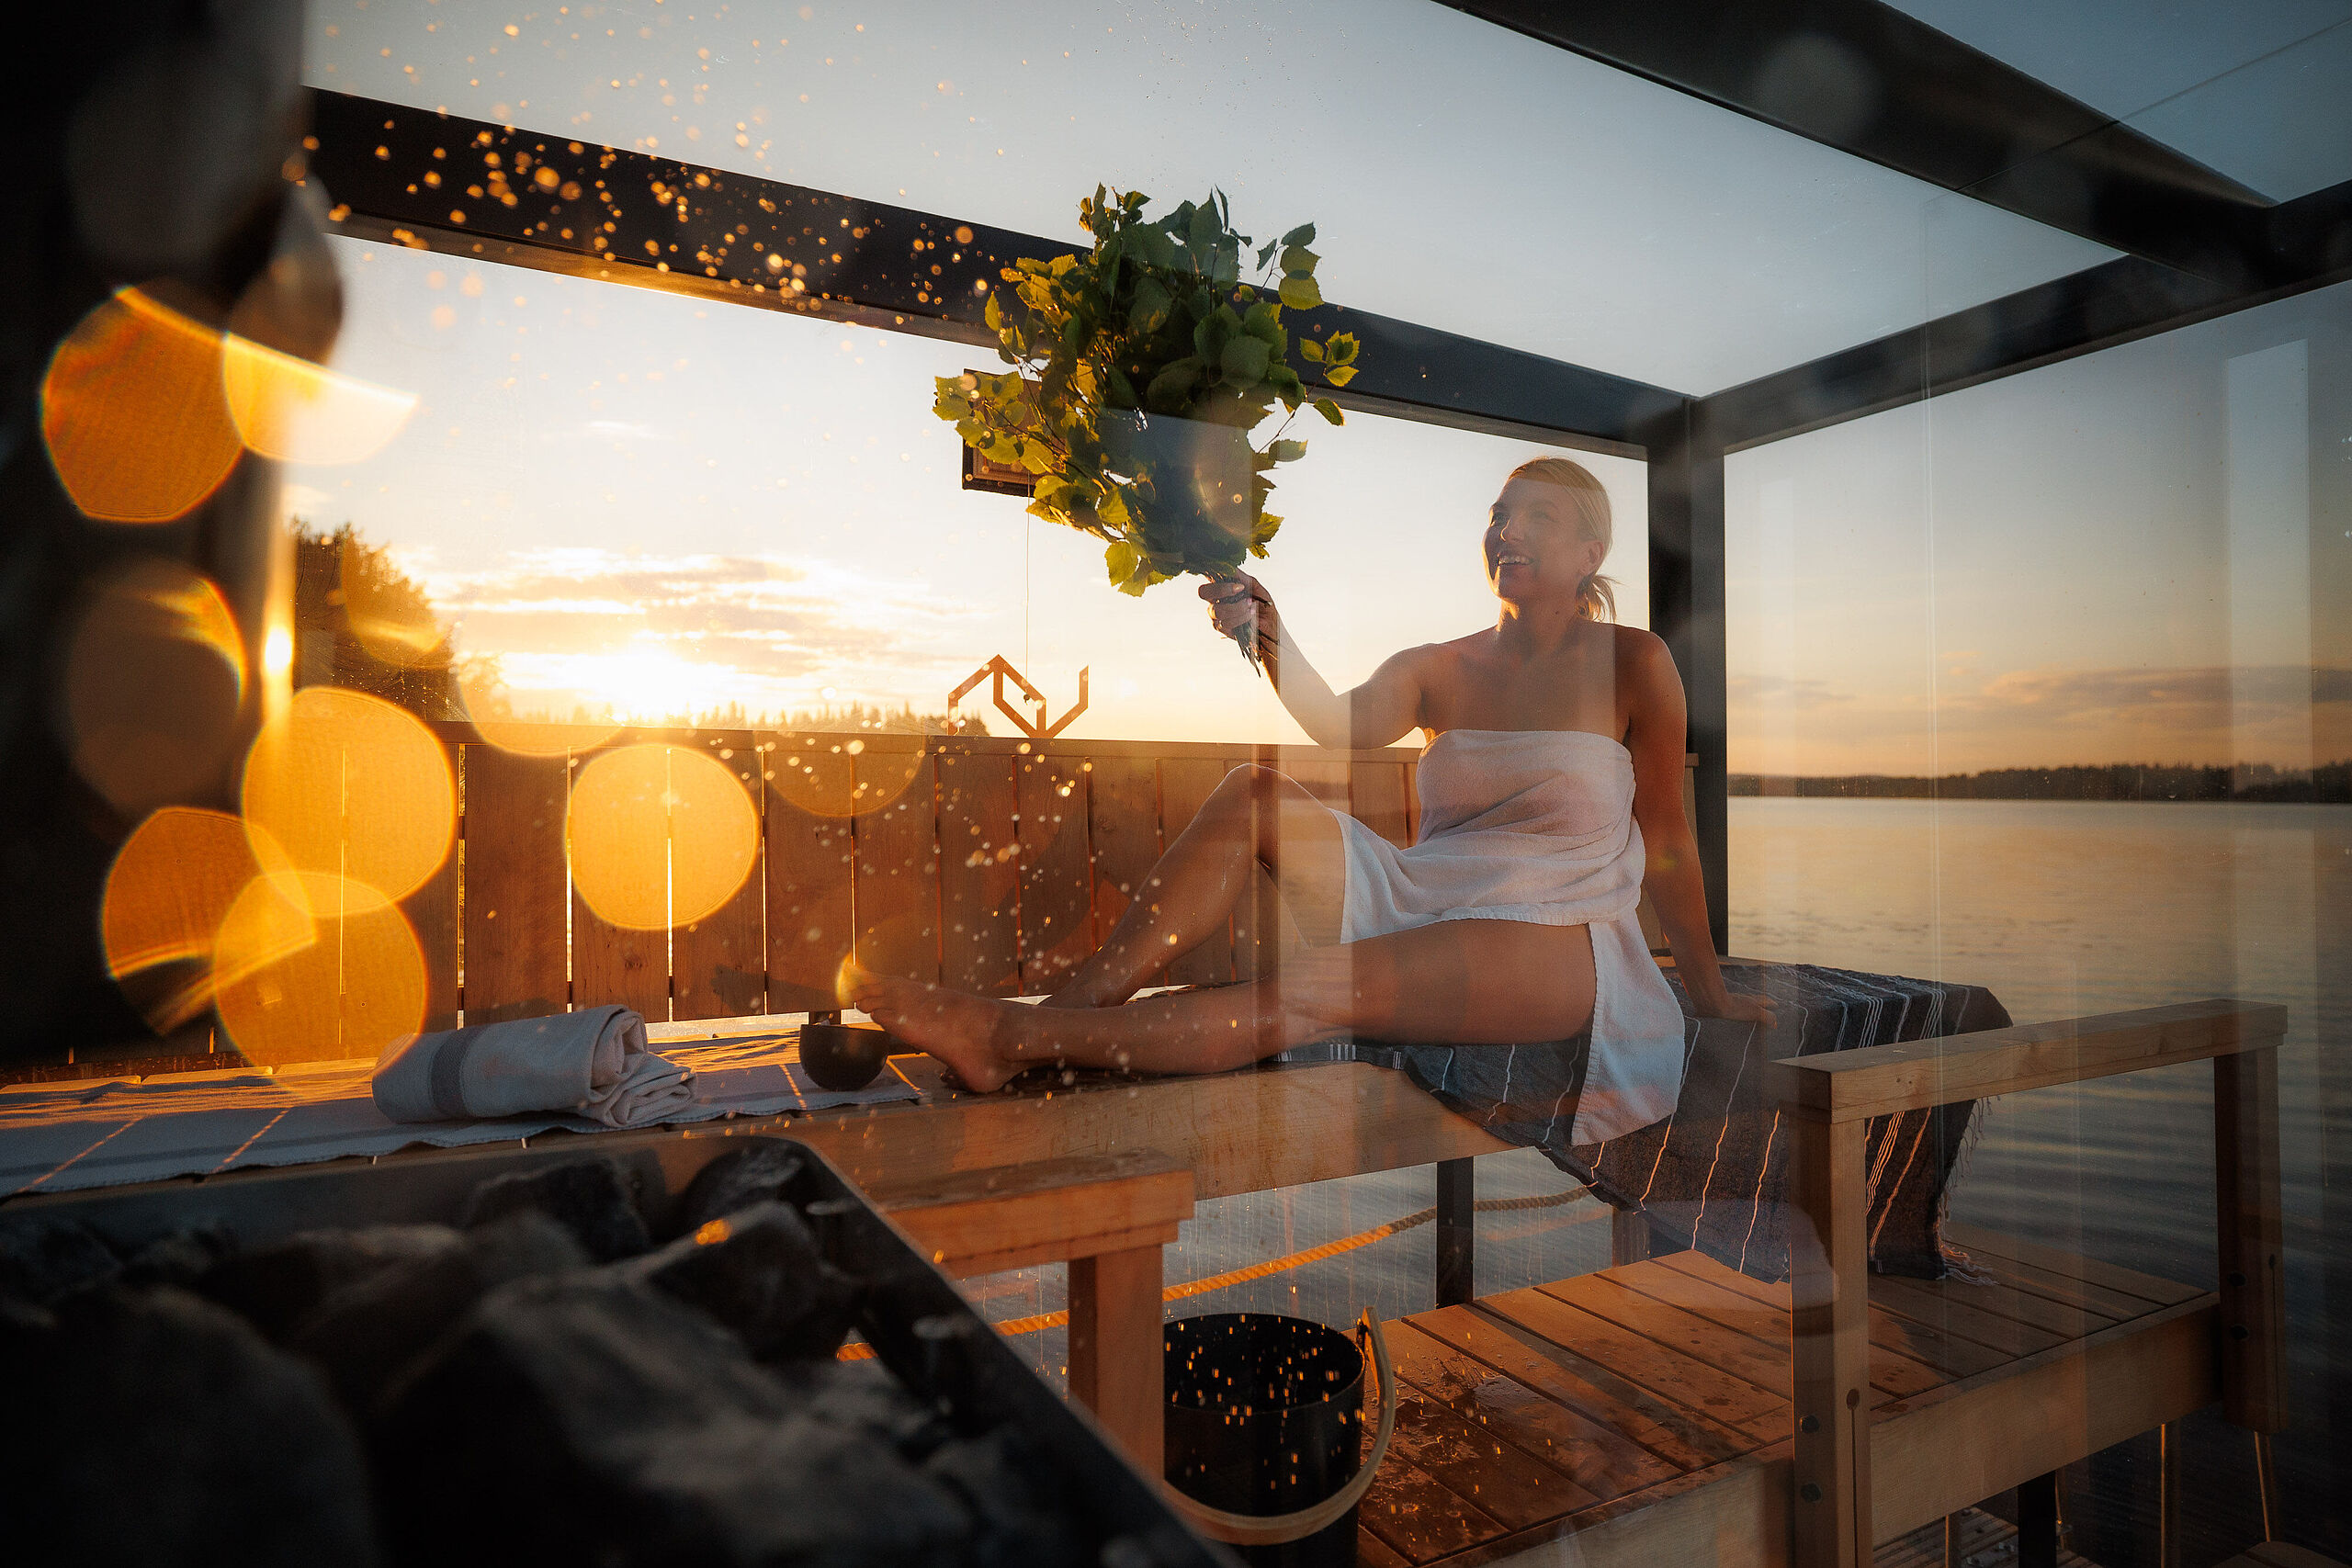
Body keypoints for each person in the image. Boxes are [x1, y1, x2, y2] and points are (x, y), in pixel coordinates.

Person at [844, 456, 1772, 1137]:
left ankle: (1004, 1034)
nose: (1508, 531)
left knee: (1316, 989)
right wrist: (1269, 632)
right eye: (1499, 514)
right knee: (1253, 791)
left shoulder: (1634, 662)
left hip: (1553, 929)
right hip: (1424, 892)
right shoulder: (1436, 665)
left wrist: (1707, 990)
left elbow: (1668, 837)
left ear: (1590, 550)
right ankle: (1058, 1019)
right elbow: (1338, 722)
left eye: (1537, 517)